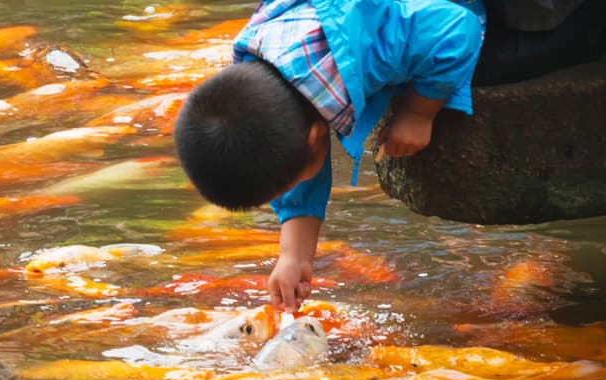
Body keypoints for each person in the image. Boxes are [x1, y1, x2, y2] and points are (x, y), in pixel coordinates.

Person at [173, 0, 486, 312]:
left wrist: (419, 114)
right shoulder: (266, 87)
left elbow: (457, 28)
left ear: (314, 137)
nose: (286, 190)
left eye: (283, 188)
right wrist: (293, 256)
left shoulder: (372, 50)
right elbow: (298, 156)